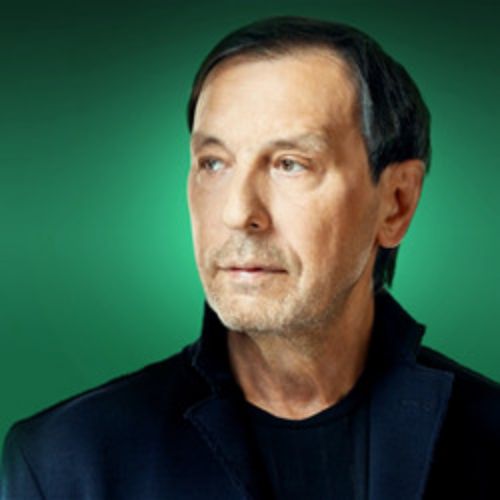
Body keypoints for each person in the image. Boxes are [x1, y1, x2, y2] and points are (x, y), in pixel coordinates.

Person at [1, 15, 499, 500]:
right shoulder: (64, 463)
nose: (238, 213)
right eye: (214, 163)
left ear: (396, 202)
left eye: (290, 164)